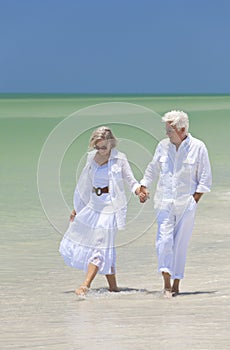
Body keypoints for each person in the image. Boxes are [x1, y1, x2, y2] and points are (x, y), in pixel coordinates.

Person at [59, 126, 141, 296]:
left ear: (111, 144)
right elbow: (84, 185)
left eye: (103, 147)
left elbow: (131, 181)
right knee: (105, 245)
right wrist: (77, 208)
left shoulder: (120, 159)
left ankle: (85, 285)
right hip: (93, 204)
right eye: (97, 147)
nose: (100, 150)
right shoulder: (90, 158)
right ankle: (113, 288)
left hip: (111, 206)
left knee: (99, 243)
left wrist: (139, 191)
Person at [139, 110, 212, 297]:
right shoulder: (162, 146)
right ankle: (166, 284)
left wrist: (193, 201)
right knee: (163, 242)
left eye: (170, 131)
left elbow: (205, 178)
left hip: (186, 204)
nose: (167, 134)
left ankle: (177, 283)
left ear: (182, 129)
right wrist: (144, 186)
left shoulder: (198, 147)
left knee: (180, 243)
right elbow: (152, 168)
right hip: (163, 202)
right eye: (166, 130)